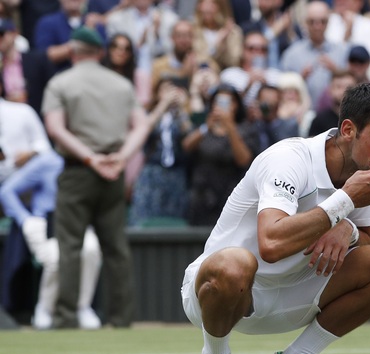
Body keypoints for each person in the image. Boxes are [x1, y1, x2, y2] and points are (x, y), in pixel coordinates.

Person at [181, 82, 370, 354]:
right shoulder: (288, 159)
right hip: (223, 295)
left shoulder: (365, 170)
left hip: (295, 295)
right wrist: (344, 201)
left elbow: (365, 237)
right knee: (234, 263)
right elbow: (271, 244)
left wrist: (348, 231)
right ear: (348, 130)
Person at [42, 27, 150, 328]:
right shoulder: (121, 84)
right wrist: (121, 158)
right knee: (116, 247)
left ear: (73, 51)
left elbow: (55, 128)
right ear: (100, 53)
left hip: (78, 170)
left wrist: (91, 158)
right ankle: (122, 318)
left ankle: (65, 317)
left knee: (70, 246)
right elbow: (141, 126)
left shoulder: (60, 82)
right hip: (113, 172)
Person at [0, 151, 103, 330]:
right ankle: (45, 308)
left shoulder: (89, 160)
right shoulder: (47, 161)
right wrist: (25, 219)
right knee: (56, 258)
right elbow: (7, 191)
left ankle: (82, 307)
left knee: (92, 249)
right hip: (46, 223)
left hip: (75, 222)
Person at [182, 83, 261, 226]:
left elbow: (243, 160)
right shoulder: (204, 128)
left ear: (236, 105)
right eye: (218, 102)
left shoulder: (246, 130)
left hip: (231, 197)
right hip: (202, 198)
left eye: (228, 102)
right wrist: (207, 127)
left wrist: (229, 126)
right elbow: (187, 146)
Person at [128, 78, 193, 226]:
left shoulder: (184, 116)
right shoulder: (149, 113)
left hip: (177, 174)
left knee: (175, 220)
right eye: (166, 90)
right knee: (144, 219)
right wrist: (163, 104)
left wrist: (181, 109)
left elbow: (190, 137)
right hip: (152, 172)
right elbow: (144, 130)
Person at [280, 1, 348, 110]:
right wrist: (299, 79)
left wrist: (336, 71)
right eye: (312, 22)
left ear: (328, 22)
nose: (317, 26)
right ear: (305, 23)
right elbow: (283, 90)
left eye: (322, 21)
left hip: (336, 114)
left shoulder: (342, 51)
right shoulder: (291, 54)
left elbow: (353, 85)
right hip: (301, 115)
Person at [191, 0, 243, 70]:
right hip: (200, 72)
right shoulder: (193, 30)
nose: (205, 8)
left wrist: (224, 42)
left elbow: (234, 62)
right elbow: (198, 60)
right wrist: (216, 45)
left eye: (211, 4)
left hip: (226, 73)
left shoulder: (233, 31)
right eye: (203, 3)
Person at [308, 69, 356, 137]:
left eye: (348, 87)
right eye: (338, 87)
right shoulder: (320, 120)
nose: (343, 91)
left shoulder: (363, 118)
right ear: (330, 90)